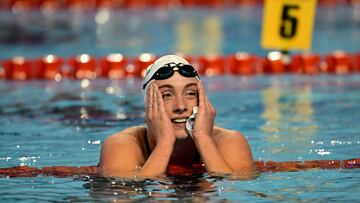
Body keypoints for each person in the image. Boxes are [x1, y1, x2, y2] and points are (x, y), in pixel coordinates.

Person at [99, 55, 255, 178]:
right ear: (148, 104)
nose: (180, 106)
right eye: (167, 95)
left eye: (190, 93)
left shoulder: (229, 141)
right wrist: (165, 143)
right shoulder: (121, 145)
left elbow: (235, 193)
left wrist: (204, 139)